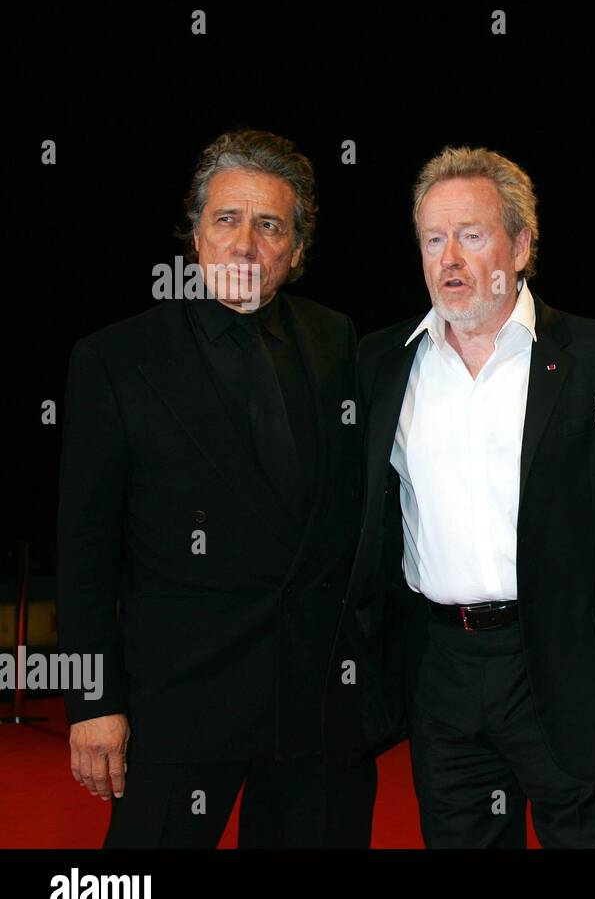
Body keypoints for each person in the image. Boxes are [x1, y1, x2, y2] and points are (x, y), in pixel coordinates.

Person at [324, 147, 595, 848]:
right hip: (439, 668)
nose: (450, 259)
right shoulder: (379, 364)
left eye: (472, 235)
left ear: (522, 243)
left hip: (568, 668)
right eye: (433, 240)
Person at [58, 129, 376, 847]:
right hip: (178, 705)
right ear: (193, 234)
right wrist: (92, 701)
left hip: (317, 707)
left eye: (270, 226)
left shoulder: (336, 341)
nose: (245, 244)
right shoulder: (117, 359)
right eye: (226, 219)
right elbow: (85, 555)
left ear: (296, 250)